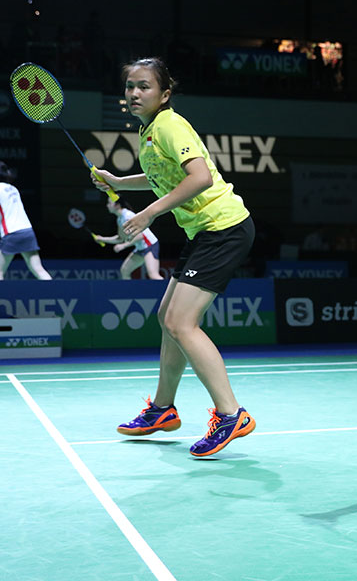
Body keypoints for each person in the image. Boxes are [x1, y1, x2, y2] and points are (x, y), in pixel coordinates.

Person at [92, 57, 256, 457]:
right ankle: (163, 409)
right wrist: (118, 181)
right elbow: (162, 178)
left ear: (164, 94)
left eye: (144, 86)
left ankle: (232, 414)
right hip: (203, 232)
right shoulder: (148, 131)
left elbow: (200, 177)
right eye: (130, 86)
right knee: (168, 317)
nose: (134, 93)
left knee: (182, 323)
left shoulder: (169, 124)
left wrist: (149, 213)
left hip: (223, 228)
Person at [0, 161, 52, 280]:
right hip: (27, 231)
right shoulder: (13, 188)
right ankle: (55, 288)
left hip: (11, 234)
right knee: (38, 269)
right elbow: (4, 205)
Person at [94, 196, 164, 280]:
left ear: (117, 205)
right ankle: (129, 289)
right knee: (125, 271)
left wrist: (124, 246)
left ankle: (169, 288)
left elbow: (140, 235)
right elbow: (120, 238)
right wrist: (102, 239)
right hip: (140, 248)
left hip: (150, 246)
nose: (107, 205)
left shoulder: (128, 216)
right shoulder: (120, 219)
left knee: (153, 275)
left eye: (109, 203)